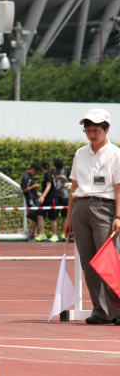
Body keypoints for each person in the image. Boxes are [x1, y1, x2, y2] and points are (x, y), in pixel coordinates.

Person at [64, 108, 120, 325]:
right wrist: (69, 216)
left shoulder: (115, 154)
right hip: (80, 207)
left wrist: (118, 216)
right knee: (89, 263)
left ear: (106, 129)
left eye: (95, 130)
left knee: (109, 260)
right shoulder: (80, 153)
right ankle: (100, 310)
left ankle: (117, 310)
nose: (91, 134)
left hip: (105, 208)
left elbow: (118, 188)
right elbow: (74, 186)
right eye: (87, 130)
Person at [21, 163, 46, 241]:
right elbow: (24, 190)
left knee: (38, 217)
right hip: (30, 200)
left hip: (34, 199)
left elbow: (31, 191)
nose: (37, 174)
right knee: (35, 217)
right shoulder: (25, 177)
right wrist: (34, 186)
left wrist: (38, 193)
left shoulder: (30, 177)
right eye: (37, 172)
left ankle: (33, 234)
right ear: (33, 169)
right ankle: (31, 233)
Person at [38, 160, 60, 242]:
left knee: (53, 217)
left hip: (52, 198)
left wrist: (43, 196)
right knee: (40, 215)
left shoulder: (48, 174)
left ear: (41, 167)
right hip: (47, 198)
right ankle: (42, 234)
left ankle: (55, 235)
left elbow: (49, 185)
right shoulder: (51, 174)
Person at [53, 159, 70, 240]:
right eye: (58, 169)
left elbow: (72, 182)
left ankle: (64, 233)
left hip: (65, 195)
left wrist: (65, 179)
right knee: (54, 216)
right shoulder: (53, 172)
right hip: (55, 195)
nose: (59, 170)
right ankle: (55, 234)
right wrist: (56, 178)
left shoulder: (66, 171)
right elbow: (50, 182)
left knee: (64, 216)